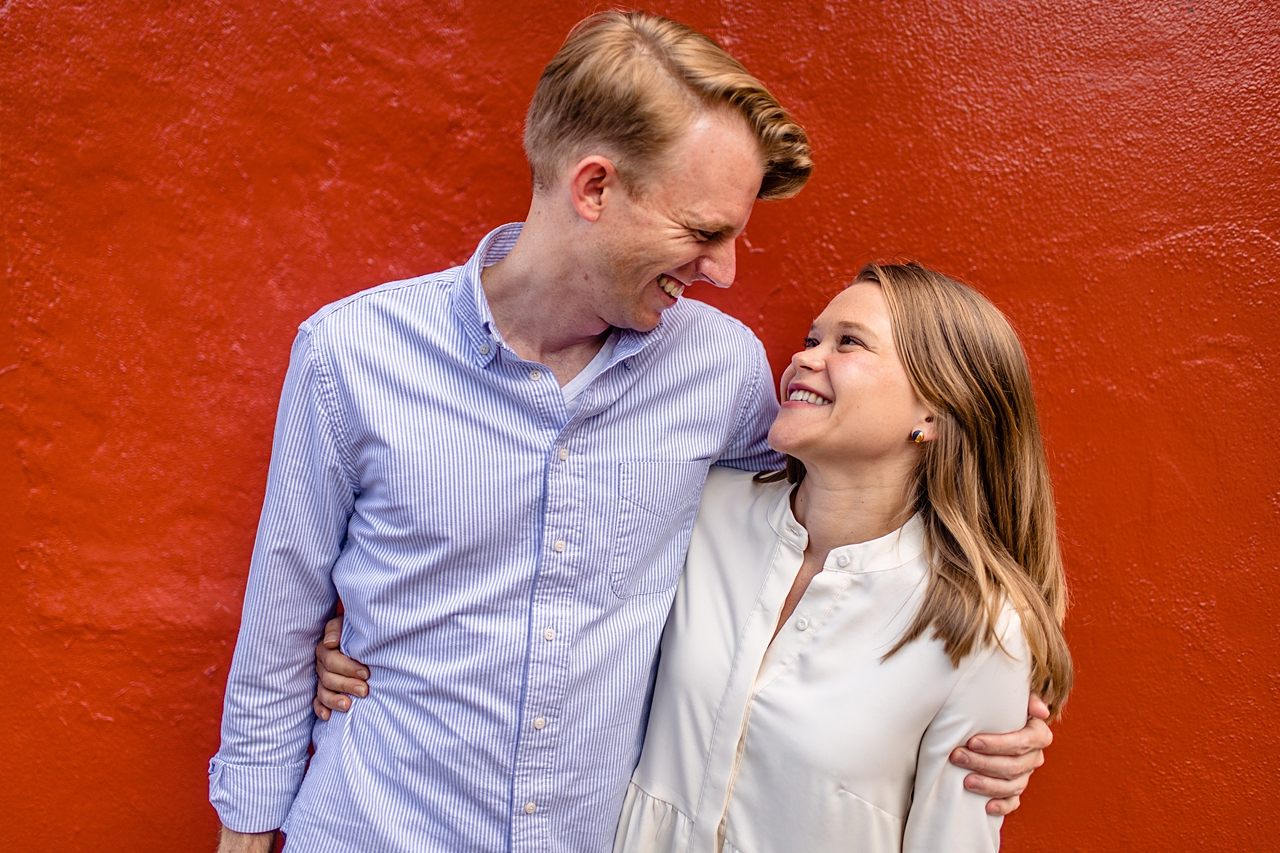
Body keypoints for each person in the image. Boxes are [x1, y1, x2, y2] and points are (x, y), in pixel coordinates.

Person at [213, 12, 1051, 853]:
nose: (723, 271)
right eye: (704, 231)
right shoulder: (351, 353)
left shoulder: (720, 371)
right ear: (594, 188)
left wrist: (989, 695)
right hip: (371, 828)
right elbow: (279, 622)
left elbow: (839, 524)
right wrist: (255, 813)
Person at [316, 262, 1072, 853]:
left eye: (850, 344)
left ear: (934, 412)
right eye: (813, 337)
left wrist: (1014, 730)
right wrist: (380, 629)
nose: (806, 357)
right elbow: (541, 588)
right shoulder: (702, 509)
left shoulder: (979, 630)